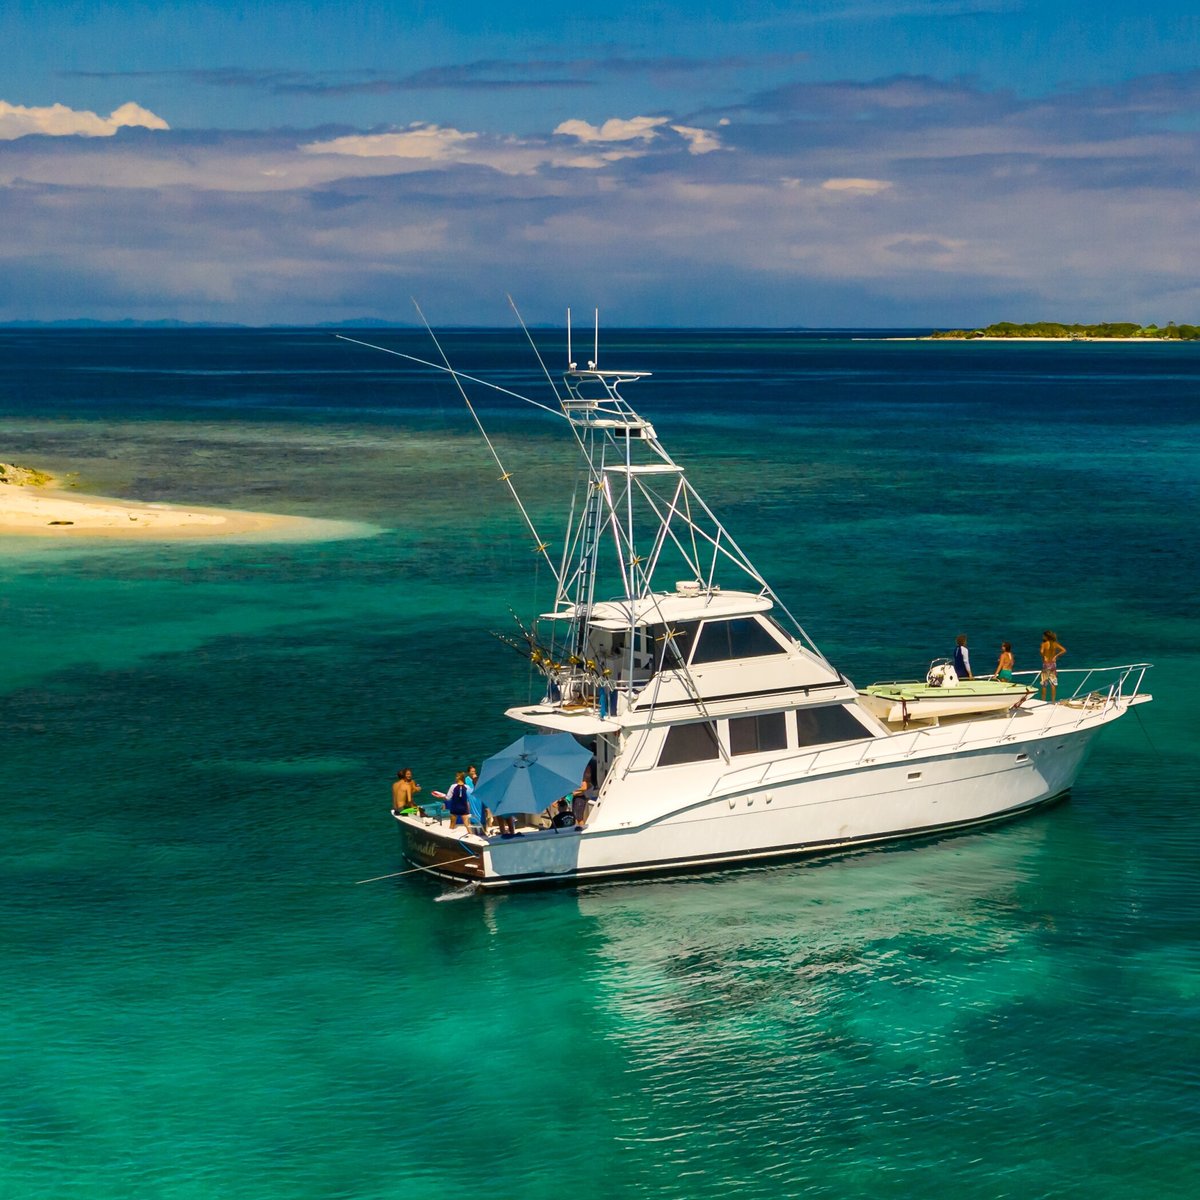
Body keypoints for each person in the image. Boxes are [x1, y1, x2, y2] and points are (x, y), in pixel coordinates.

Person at [1040, 630, 1066, 702]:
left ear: (1046, 636)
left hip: (1046, 664)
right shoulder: (1055, 644)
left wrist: (1044, 656)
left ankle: (1043, 700)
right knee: (1053, 684)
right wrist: (1056, 656)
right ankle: (1053, 701)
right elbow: (1064, 650)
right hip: (1053, 665)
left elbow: (1041, 652)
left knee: (1044, 684)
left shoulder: (1044, 644)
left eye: (1043, 636)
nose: (1043, 637)